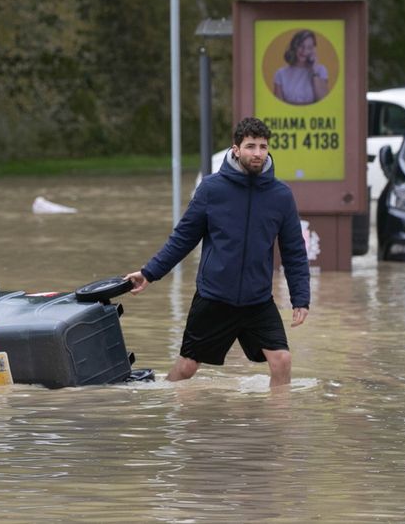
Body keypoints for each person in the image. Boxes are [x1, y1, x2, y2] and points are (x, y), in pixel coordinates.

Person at [124, 117, 311, 388]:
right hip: (214, 298)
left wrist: (301, 298)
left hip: (257, 300)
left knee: (281, 361)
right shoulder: (212, 189)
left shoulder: (280, 195)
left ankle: (276, 426)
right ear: (236, 149)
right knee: (187, 368)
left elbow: (294, 251)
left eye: (262, 146)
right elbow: (183, 238)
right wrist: (150, 273)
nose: (257, 153)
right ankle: (166, 406)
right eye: (250, 146)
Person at [273, 30, 329, 105]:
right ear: (294, 46)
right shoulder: (280, 73)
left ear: (313, 50)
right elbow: (277, 107)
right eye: (301, 46)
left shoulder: (321, 70)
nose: (304, 51)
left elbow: (324, 101)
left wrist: (314, 71)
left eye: (309, 47)